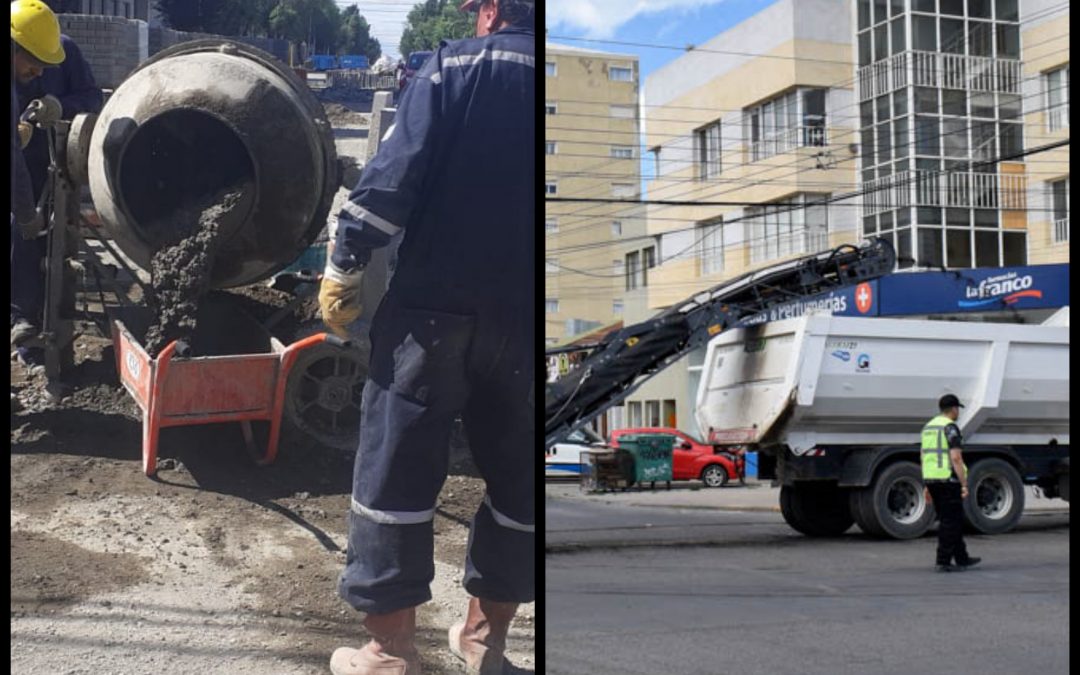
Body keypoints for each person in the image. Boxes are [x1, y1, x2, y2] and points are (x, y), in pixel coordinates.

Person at [319, 0, 534, 673]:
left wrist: (343, 264)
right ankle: (484, 643)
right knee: (519, 480)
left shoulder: (452, 70)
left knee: (398, 469)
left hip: (431, 316)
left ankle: (388, 652)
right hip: (532, 324)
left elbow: (390, 183)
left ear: (492, 9)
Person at [10, 0, 102, 367]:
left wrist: (57, 107)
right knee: (21, 248)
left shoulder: (66, 54)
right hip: (18, 174)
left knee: (56, 255)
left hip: (54, 174)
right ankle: (25, 333)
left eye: (44, 66)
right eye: (32, 63)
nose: (37, 71)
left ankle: (54, 342)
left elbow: (93, 97)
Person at [921, 394, 981, 572]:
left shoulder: (928, 427)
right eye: (957, 409)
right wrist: (963, 483)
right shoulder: (950, 428)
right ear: (954, 409)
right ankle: (943, 561)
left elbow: (924, 456)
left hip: (932, 478)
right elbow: (955, 457)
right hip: (948, 479)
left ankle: (962, 557)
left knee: (952, 519)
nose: (958, 412)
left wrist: (926, 484)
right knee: (950, 521)